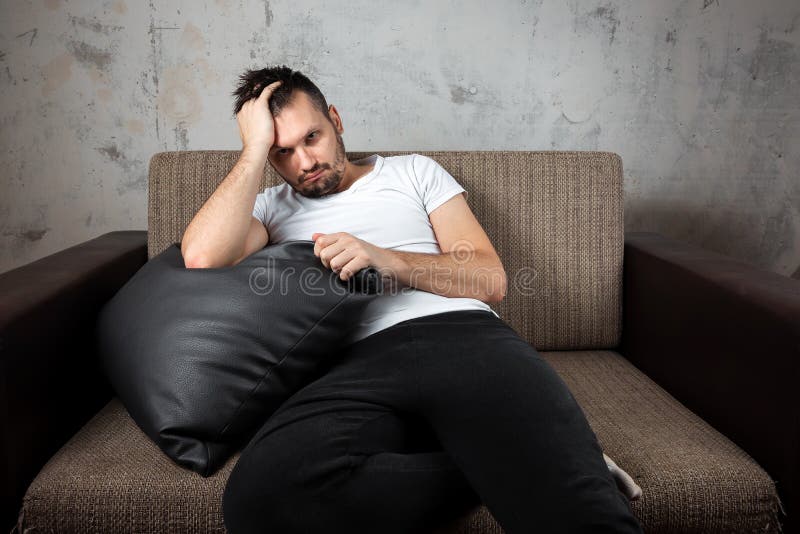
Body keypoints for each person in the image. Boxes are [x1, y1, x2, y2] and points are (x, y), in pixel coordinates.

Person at [181, 65, 644, 534]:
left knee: (587, 521)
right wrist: (252, 150)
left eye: (312, 137)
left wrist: (386, 260)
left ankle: (548, 462)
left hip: (462, 337)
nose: (304, 161)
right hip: (349, 365)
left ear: (336, 119)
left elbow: (489, 278)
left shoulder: (412, 171)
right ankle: (531, 461)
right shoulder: (268, 208)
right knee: (258, 501)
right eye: (282, 152)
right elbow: (201, 257)